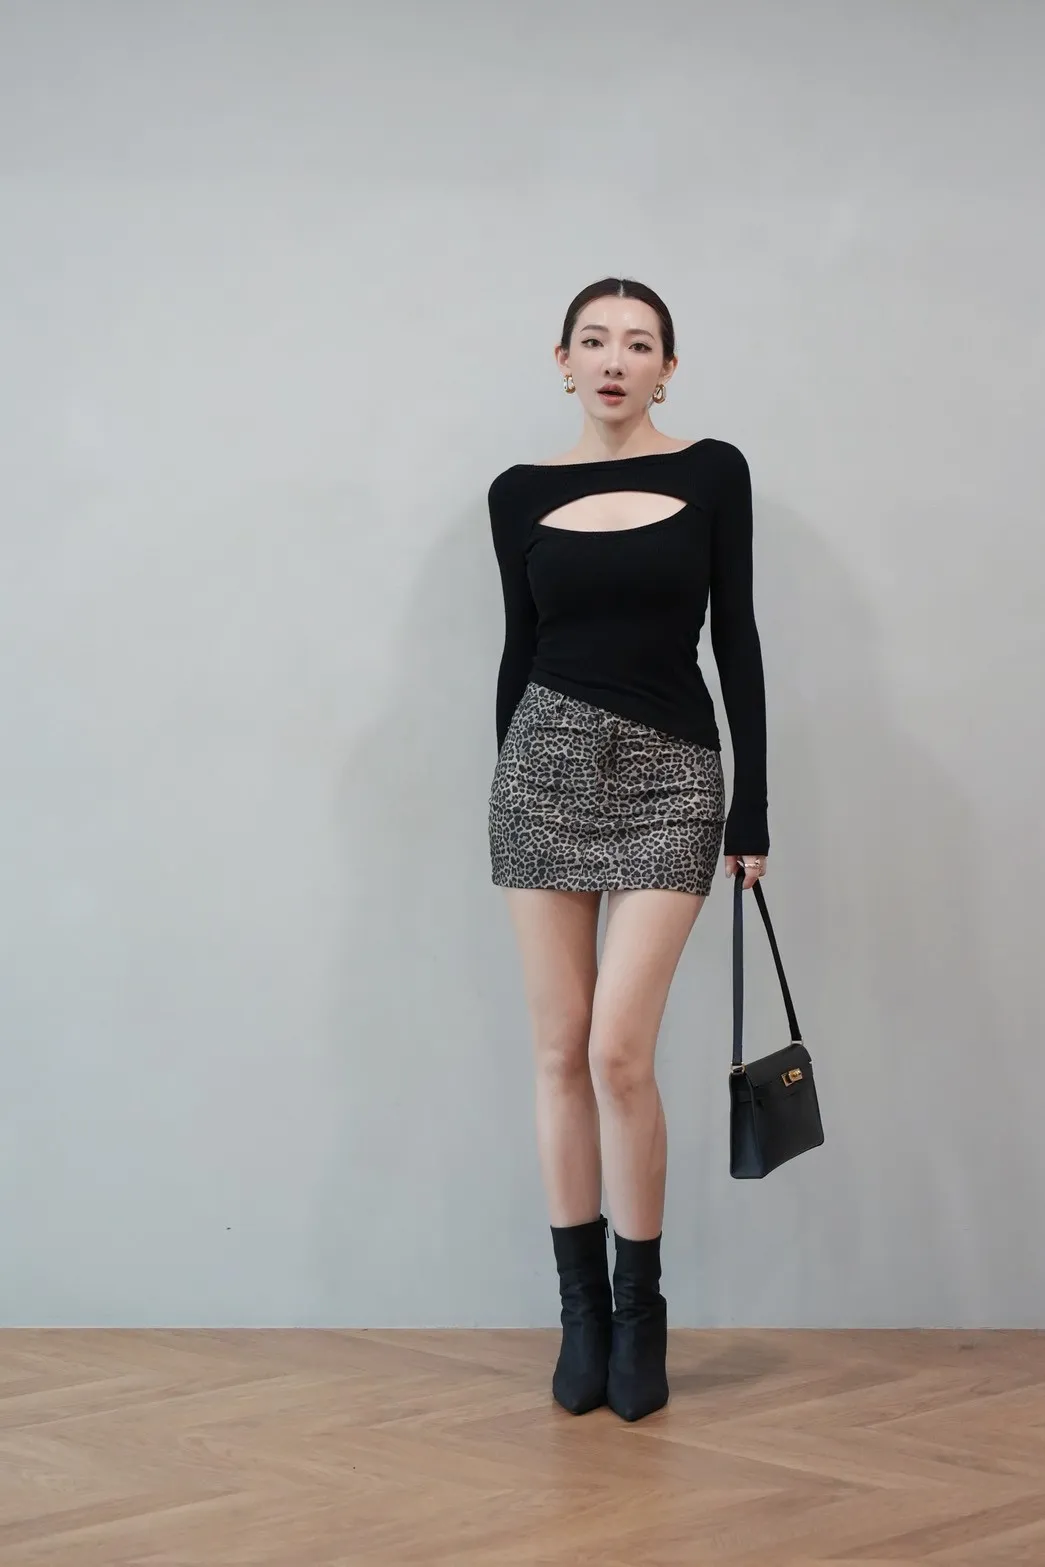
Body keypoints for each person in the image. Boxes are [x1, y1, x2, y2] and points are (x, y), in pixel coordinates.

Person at [486, 277, 769, 1423]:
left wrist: (752, 812)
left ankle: (639, 1309)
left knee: (617, 1053)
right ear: (562, 360)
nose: (615, 359)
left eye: (638, 343)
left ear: (667, 367)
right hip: (540, 770)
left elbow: (736, 636)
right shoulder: (516, 493)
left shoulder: (714, 472)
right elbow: (518, 648)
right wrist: (506, 783)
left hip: (671, 776)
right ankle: (581, 1318)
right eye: (594, 341)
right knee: (559, 1050)